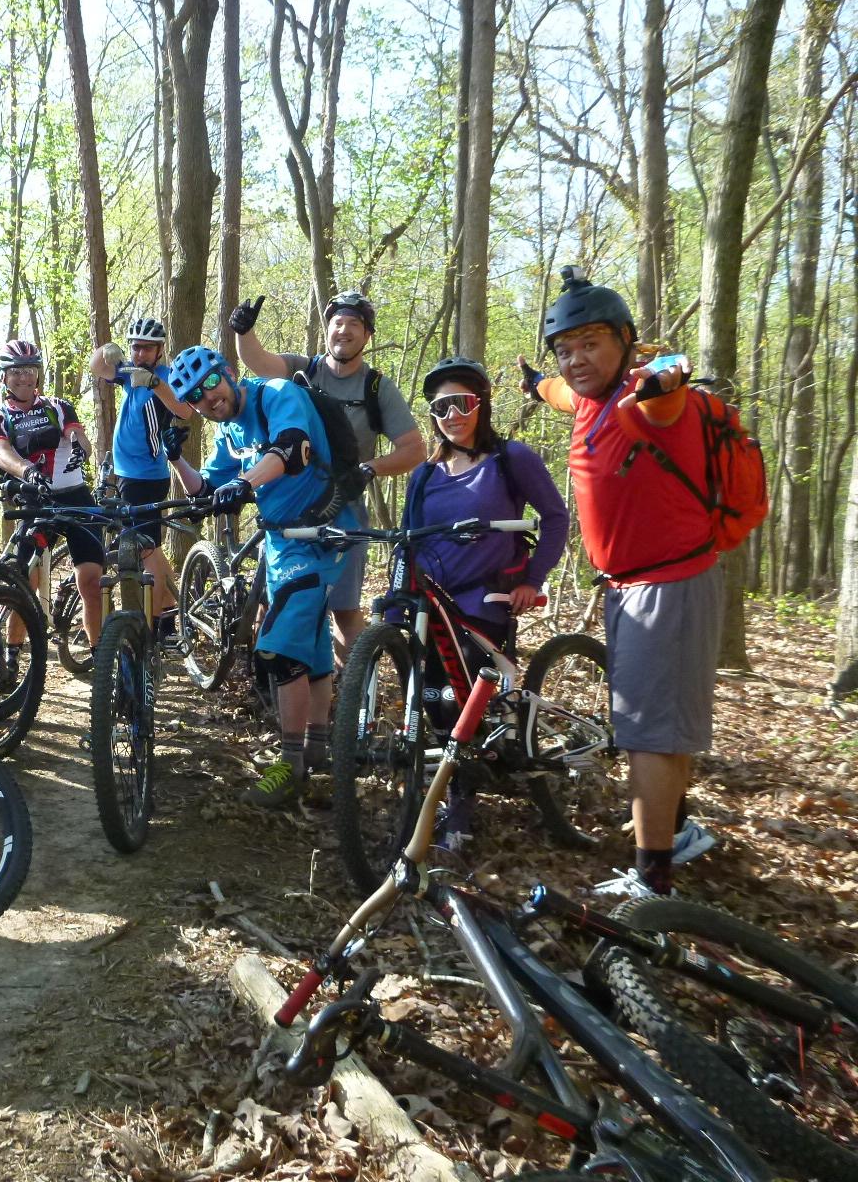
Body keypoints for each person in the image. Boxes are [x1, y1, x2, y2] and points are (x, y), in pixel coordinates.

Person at [522, 266, 721, 896]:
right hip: (632, 585)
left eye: (592, 344)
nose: (576, 359)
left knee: (645, 732)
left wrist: (668, 373)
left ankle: (651, 883)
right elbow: (559, 389)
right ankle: (678, 833)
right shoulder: (585, 397)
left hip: (667, 584)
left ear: (626, 343)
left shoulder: (648, 399)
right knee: (659, 727)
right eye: (565, 348)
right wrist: (535, 385)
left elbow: (668, 387)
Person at [165, 345, 355, 807]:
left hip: (321, 530)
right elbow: (208, 487)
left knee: (276, 650)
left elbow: (291, 450)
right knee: (308, 645)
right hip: (280, 539)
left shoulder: (276, 393)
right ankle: (317, 746)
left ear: (227, 373)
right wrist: (177, 459)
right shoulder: (228, 429)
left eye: (211, 383)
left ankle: (290, 766)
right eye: (194, 398)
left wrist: (245, 483)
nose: (208, 399)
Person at [403, 357, 570, 848]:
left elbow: (556, 518)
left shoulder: (510, 459)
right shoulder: (424, 475)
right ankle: (437, 795)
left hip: (485, 599)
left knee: (461, 701)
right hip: (430, 603)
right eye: (440, 406)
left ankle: (459, 810)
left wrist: (533, 578)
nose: (452, 414)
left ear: (482, 405)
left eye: (463, 402)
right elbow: (407, 541)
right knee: (430, 700)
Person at [230, 291, 424, 656]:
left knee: (345, 610)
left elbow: (415, 449)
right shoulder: (305, 369)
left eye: (354, 324)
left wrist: (369, 469)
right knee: (273, 599)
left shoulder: (377, 387)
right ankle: (269, 684)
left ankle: (356, 699)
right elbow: (261, 363)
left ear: (367, 336)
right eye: (338, 322)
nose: (344, 330)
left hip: (343, 509)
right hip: (289, 505)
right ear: (327, 329)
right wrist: (244, 332)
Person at [0, 339, 107, 650]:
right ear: (4, 377)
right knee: (25, 580)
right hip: (35, 501)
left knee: (91, 580)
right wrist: (27, 471)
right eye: (15, 371)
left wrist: (81, 447)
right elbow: (0, 452)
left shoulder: (57, 405)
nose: (23, 377)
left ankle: (100, 653)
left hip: (76, 497)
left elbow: (76, 432)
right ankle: (14, 649)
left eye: (29, 370)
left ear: (38, 374)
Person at [88, 317, 196, 635]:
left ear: (159, 350)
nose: (139, 354)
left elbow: (185, 410)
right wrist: (107, 351)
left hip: (146, 477)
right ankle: (167, 617)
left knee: (145, 553)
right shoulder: (130, 374)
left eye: (146, 348)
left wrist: (154, 383)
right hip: (125, 474)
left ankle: (151, 625)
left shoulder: (165, 377)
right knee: (153, 551)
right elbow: (98, 367)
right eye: (135, 347)